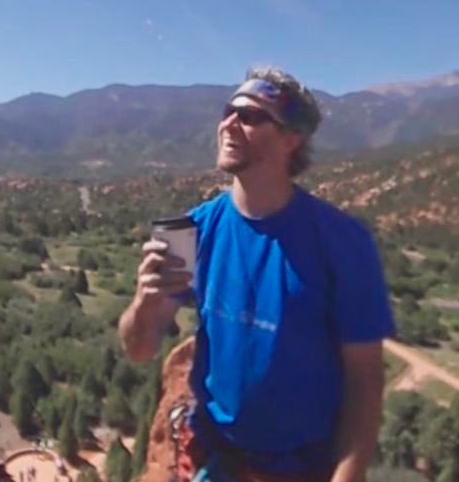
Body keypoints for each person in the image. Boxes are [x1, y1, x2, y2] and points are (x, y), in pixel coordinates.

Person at [118, 67, 394, 482]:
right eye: (228, 111)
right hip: (212, 457)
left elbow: (365, 381)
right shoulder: (189, 231)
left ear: (291, 138)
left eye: (250, 116)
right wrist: (144, 301)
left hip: (299, 469)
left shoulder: (342, 242)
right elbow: (138, 349)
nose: (229, 123)